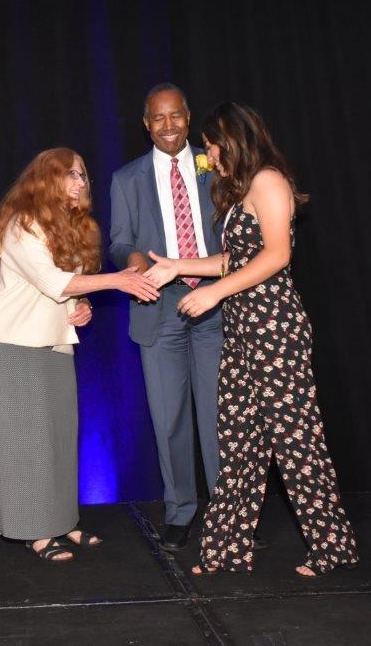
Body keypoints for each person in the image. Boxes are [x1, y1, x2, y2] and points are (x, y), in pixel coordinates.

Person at [144, 102, 359, 576]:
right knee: (238, 443)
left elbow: (277, 255)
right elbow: (234, 261)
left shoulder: (269, 181)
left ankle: (333, 547)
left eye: (211, 145)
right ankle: (225, 550)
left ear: (232, 140)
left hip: (275, 329)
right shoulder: (241, 190)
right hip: (243, 332)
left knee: (297, 440)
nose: (208, 155)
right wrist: (179, 266)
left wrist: (215, 293)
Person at [0, 148, 160, 562]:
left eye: (83, 175)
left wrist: (82, 306)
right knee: (28, 441)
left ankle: (62, 520)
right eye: (71, 174)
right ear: (47, 179)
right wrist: (118, 280)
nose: (81, 182)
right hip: (18, 342)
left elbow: (68, 288)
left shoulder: (68, 226)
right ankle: (35, 531)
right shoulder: (23, 223)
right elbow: (51, 281)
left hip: (55, 340)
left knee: (59, 438)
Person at [108, 83, 224, 552]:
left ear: (188, 118)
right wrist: (133, 258)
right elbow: (118, 242)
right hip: (158, 308)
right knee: (169, 418)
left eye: (175, 115)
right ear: (146, 124)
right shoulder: (126, 179)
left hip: (215, 302)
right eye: (158, 118)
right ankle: (180, 512)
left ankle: (229, 513)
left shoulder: (216, 165)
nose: (168, 125)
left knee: (220, 417)